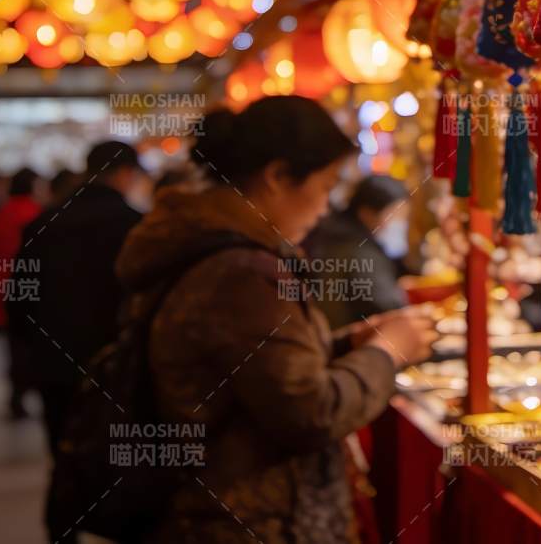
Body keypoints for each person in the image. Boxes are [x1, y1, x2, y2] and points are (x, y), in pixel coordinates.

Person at [114, 97, 436, 544]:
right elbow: (309, 412)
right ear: (278, 176)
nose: (326, 208)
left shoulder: (216, 248)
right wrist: (386, 351)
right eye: (325, 187)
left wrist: (346, 346)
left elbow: (257, 371)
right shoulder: (241, 272)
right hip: (246, 521)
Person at [10, 141, 147, 453]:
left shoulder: (43, 224)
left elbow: (19, 296)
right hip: (118, 366)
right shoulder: (137, 227)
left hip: (55, 363)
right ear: (126, 174)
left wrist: (31, 348)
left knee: (63, 457)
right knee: (112, 461)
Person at [304, 173, 411, 328]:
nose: (399, 223)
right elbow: (388, 306)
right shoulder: (359, 250)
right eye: (394, 215)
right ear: (366, 212)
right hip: (352, 342)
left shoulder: (339, 235)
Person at [0, 167, 44, 419]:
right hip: (32, 288)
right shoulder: (36, 214)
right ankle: (28, 391)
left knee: (14, 345)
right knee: (32, 346)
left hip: (4, 288)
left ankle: (17, 394)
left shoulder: (1, 214)